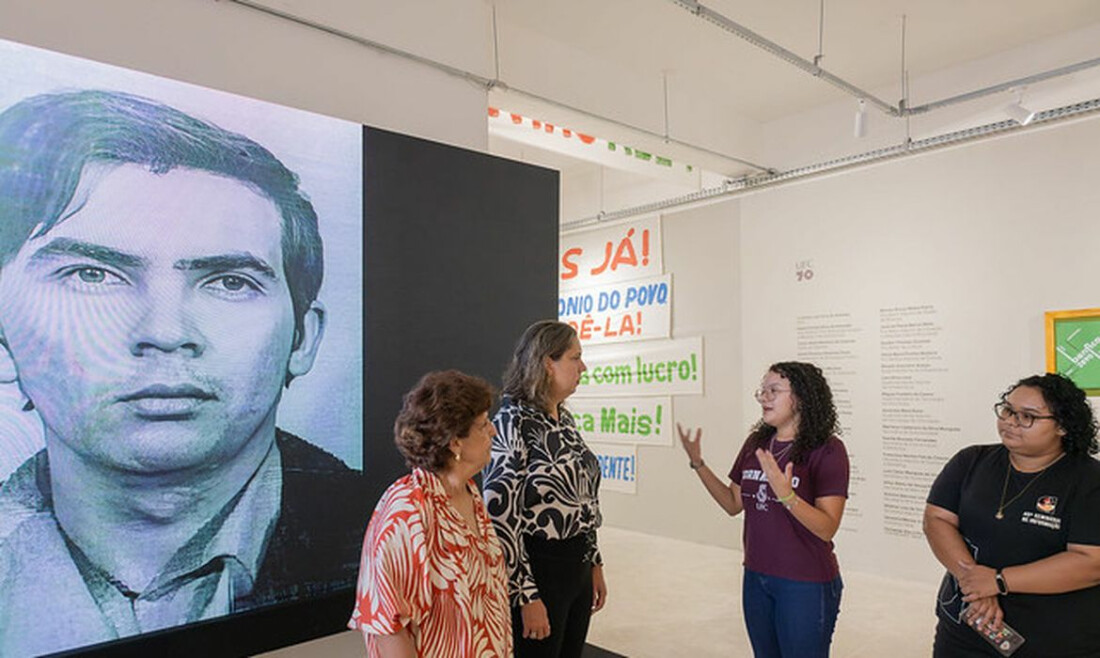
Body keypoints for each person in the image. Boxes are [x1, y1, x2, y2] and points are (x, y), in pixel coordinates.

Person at [0, 89, 365, 656]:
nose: (166, 332)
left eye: (229, 282)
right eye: (92, 275)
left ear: (302, 338)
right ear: (2, 339)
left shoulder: (385, 534)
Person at [677, 361, 848, 658]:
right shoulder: (757, 443)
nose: (763, 397)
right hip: (756, 577)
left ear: (802, 398)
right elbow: (733, 504)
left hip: (805, 583)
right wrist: (698, 464)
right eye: (762, 390)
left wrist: (787, 496)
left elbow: (827, 527)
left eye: (774, 390)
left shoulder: (828, 449)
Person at [924, 373, 1100, 657]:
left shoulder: (1089, 481)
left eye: (1027, 416)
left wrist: (998, 581)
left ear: (1063, 426)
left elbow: (1090, 562)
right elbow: (937, 520)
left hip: (1055, 640)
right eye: (1007, 410)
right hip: (968, 626)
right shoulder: (970, 461)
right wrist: (973, 581)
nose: (1010, 421)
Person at [348, 370, 511, 657]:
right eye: (483, 425)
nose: (493, 431)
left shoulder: (469, 493)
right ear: (455, 442)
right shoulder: (406, 512)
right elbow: (388, 628)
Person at [483, 320, 607, 658]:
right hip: (541, 571)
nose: (583, 367)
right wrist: (526, 595)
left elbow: (584, 499)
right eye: (575, 357)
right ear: (546, 363)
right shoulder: (512, 421)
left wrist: (593, 562)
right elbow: (501, 518)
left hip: (577, 567)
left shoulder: (564, 420)